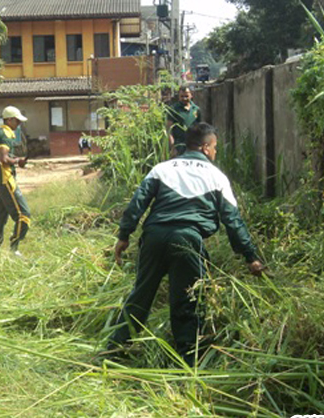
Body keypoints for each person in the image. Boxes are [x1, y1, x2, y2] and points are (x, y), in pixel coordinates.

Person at [108, 123, 264, 365]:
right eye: (214, 148)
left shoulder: (162, 169)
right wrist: (250, 256)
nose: (215, 153)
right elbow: (232, 221)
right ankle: (187, 362)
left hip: (154, 238)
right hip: (187, 241)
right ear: (204, 147)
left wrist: (124, 235)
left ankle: (113, 352)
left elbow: (137, 203)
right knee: (187, 302)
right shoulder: (216, 177)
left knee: (140, 296)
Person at [0, 106, 31, 256]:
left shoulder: (2, 133)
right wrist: (17, 161)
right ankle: (14, 247)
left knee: (1, 214)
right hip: (5, 178)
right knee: (24, 214)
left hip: (0, 179)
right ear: (9, 120)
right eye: (17, 121)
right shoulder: (4, 134)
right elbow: (3, 158)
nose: (19, 124)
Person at [166, 86, 202, 157]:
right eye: (182, 96)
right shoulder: (173, 109)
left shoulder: (196, 109)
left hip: (193, 146)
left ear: (191, 95)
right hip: (179, 146)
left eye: (186, 96)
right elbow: (169, 130)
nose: (184, 98)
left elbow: (199, 129)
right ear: (178, 96)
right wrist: (173, 148)